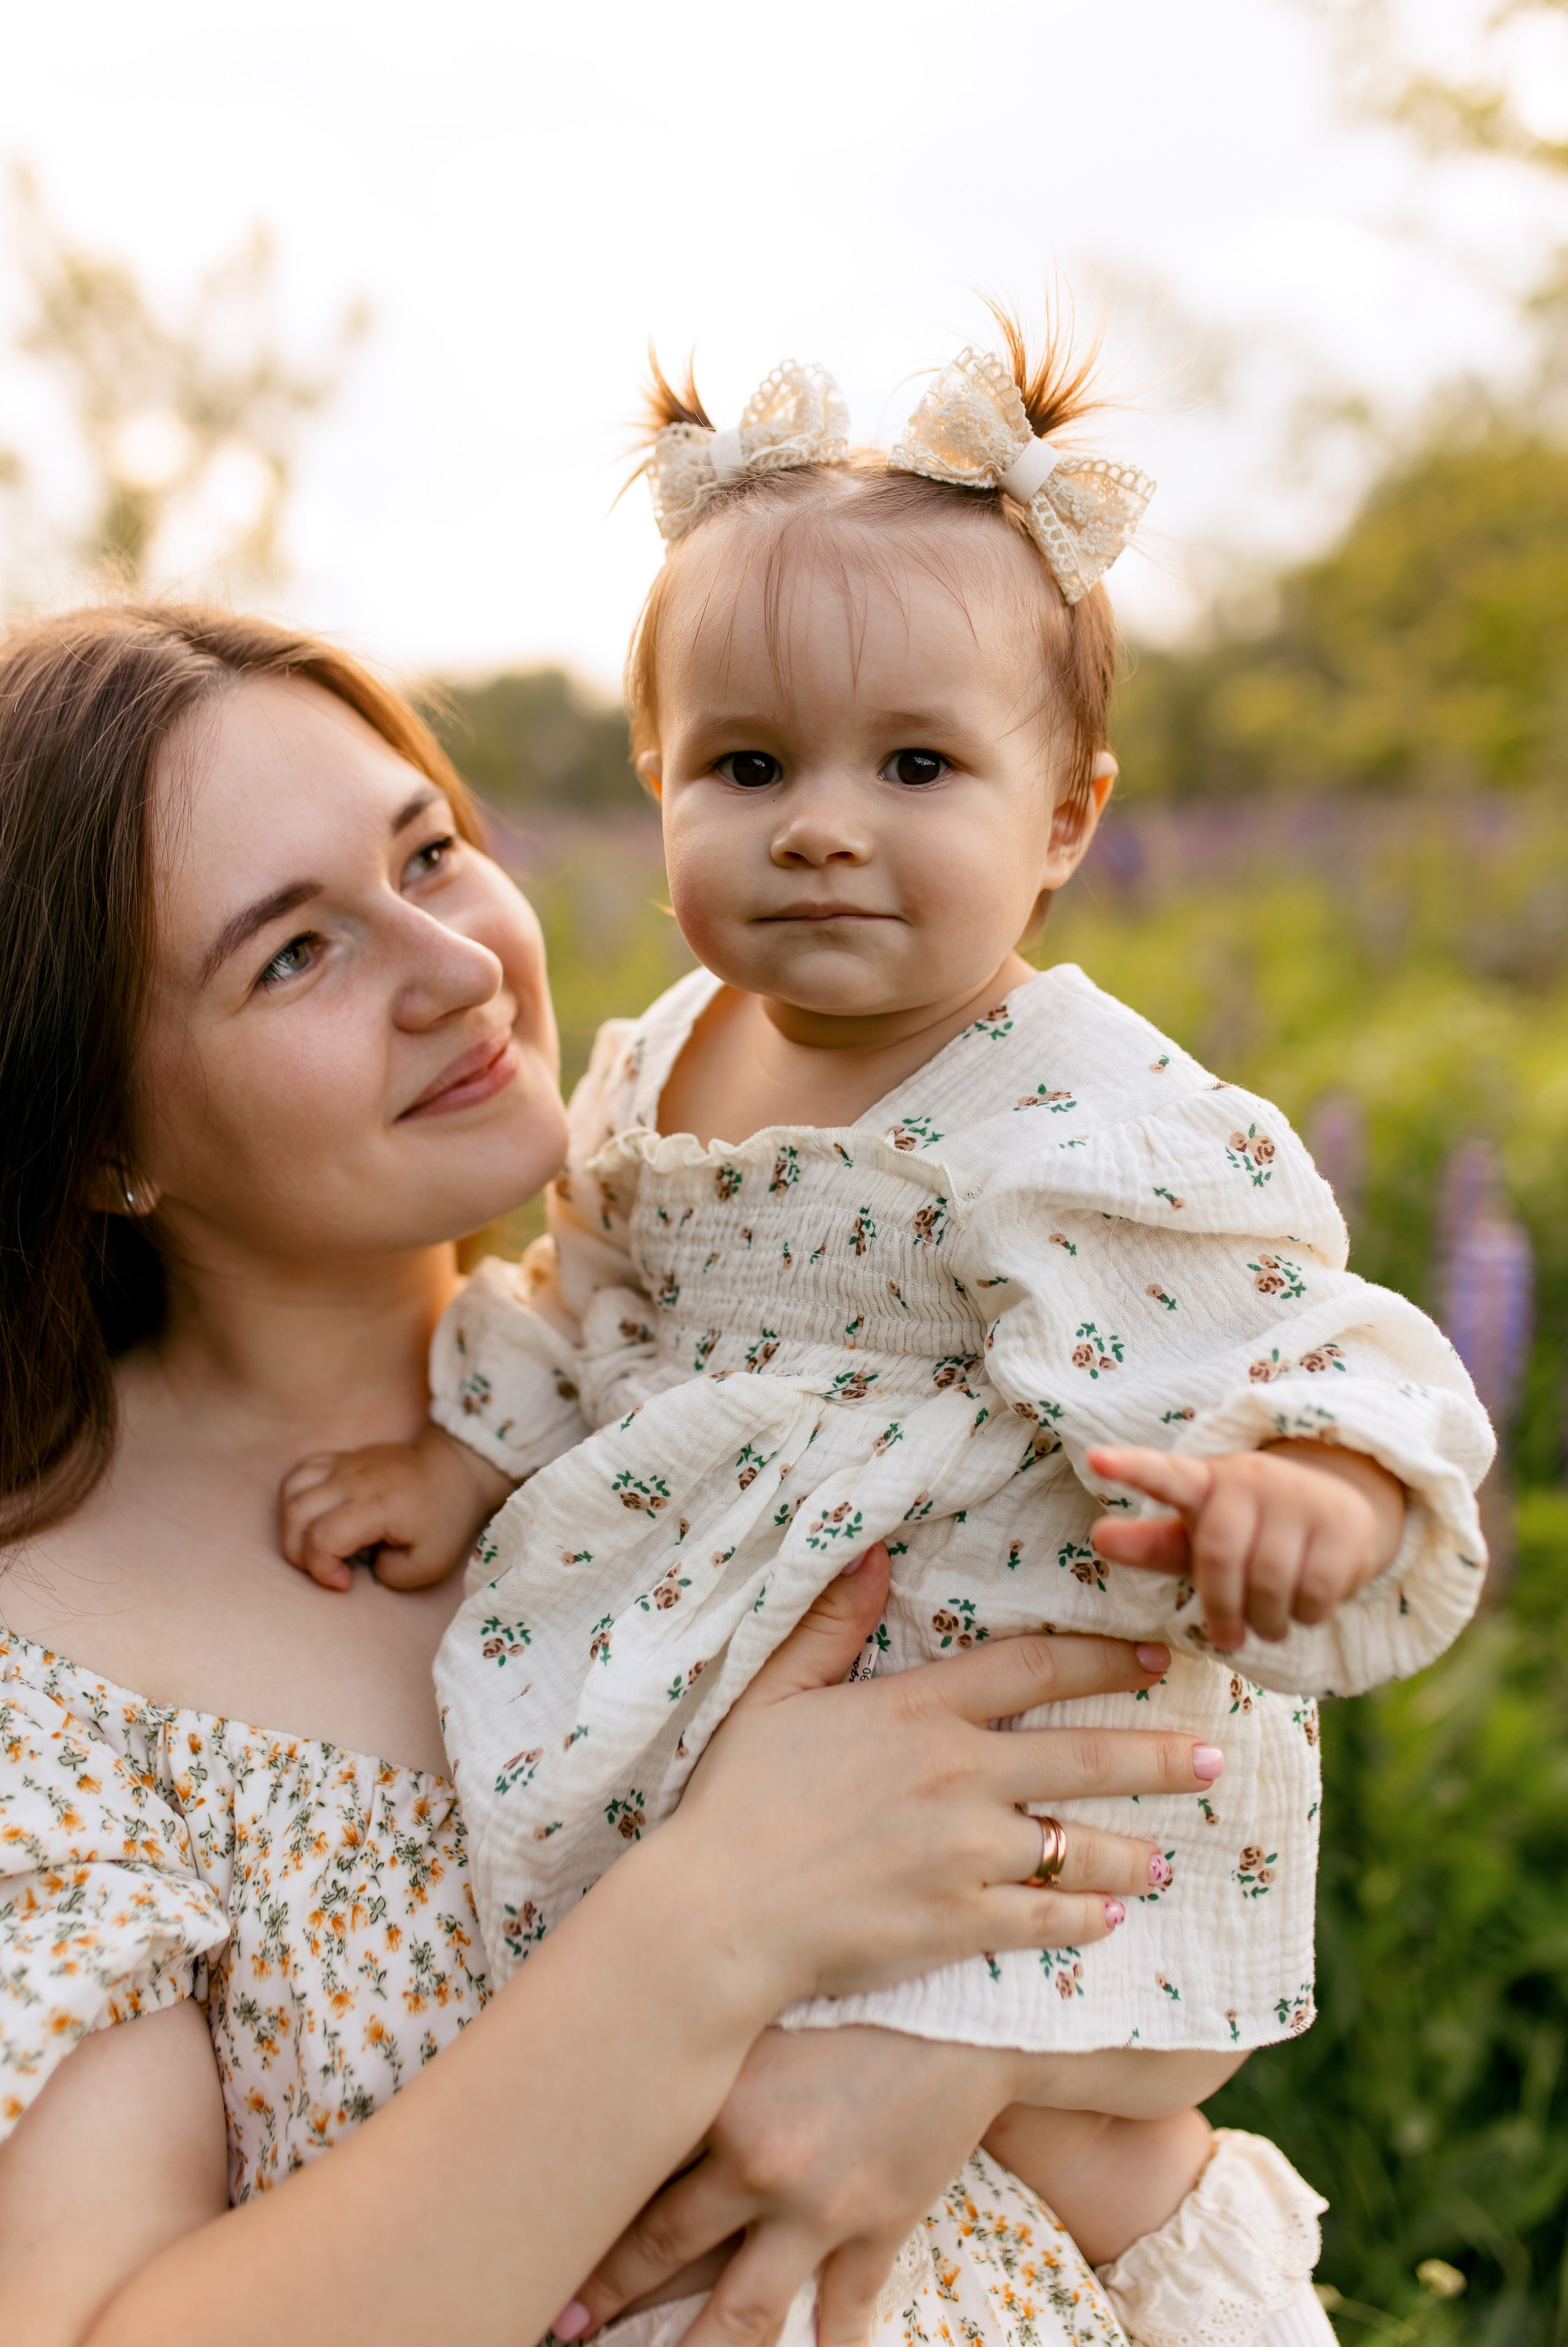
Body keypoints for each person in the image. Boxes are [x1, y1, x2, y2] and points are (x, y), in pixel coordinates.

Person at [285, 325, 1495, 2343]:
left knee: (1072, 2145)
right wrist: (467, 1448)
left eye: (916, 767)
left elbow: (1320, 1333)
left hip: (1023, 1754)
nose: (824, 826)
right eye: (751, 768)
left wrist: (1320, 1486)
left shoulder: (1086, 1115)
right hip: (745, 1726)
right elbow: (593, 1297)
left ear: (1066, 818)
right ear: (662, 785)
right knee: (733, 2130)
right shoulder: (668, 1063)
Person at [0, 601, 1235, 2347]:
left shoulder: (754, 1386)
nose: (454, 969)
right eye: (293, 954)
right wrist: (714, 1929)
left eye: (428, 856)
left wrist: (944, 2049)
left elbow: (1209, 1904)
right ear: (103, 1134)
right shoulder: (48, 1664)